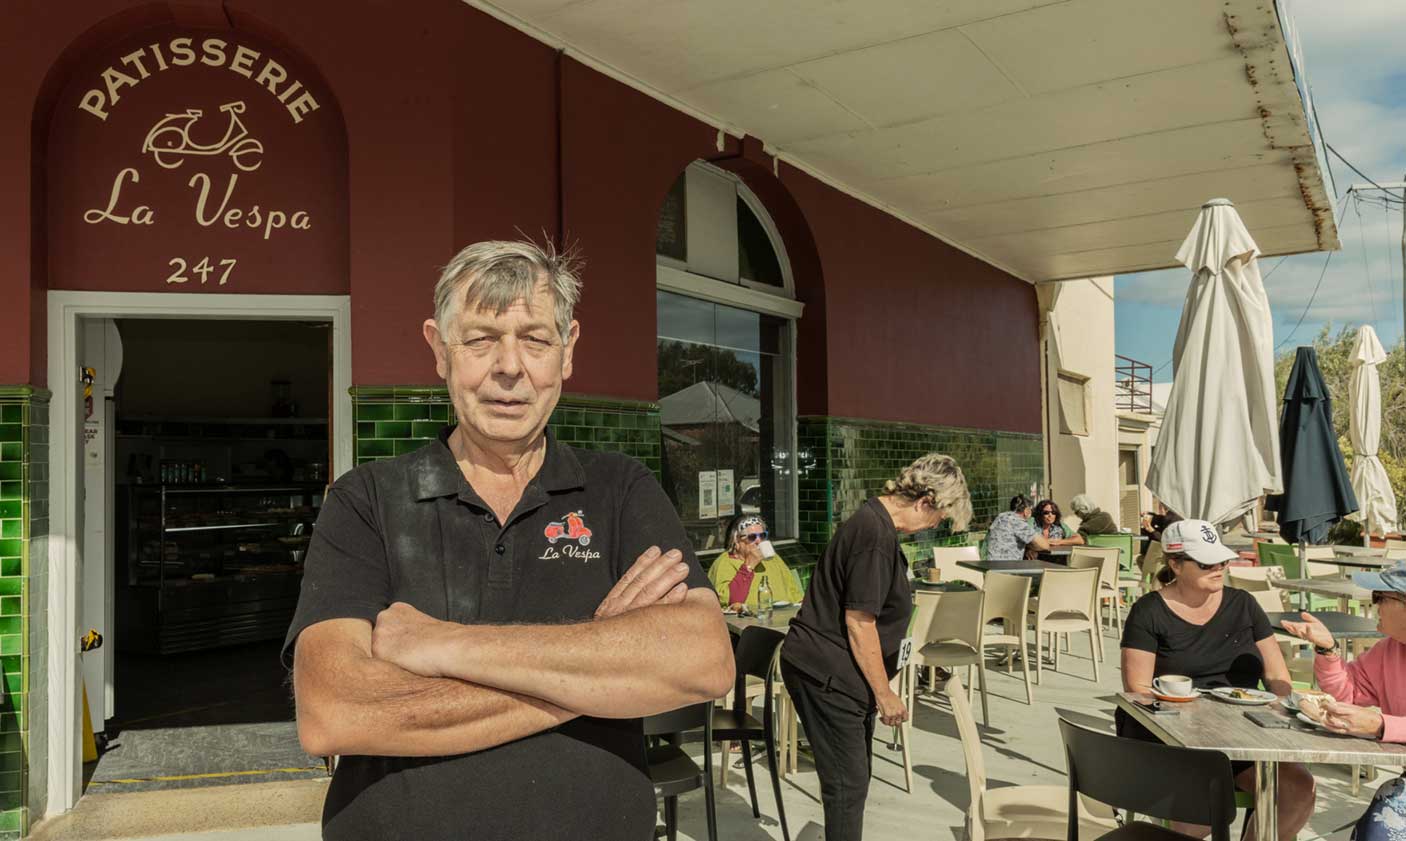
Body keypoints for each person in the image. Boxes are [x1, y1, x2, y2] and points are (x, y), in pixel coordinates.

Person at [284, 240, 735, 841]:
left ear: (567, 351)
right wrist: (604, 667)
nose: (509, 367)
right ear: (439, 351)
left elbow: (703, 659)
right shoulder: (363, 501)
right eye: (479, 339)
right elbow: (334, 711)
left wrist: (442, 645)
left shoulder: (622, 489)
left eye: (535, 339)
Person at [780, 454, 972, 841]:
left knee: (853, 779)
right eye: (940, 519)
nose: (935, 527)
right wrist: (884, 693)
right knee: (847, 785)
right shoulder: (875, 537)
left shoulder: (875, 526)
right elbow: (859, 622)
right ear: (925, 502)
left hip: (838, 672)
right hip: (827, 672)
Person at [1119, 519, 1314, 840]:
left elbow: (1278, 675)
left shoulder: (1244, 605)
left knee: (1297, 788)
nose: (1220, 567)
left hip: (1243, 734)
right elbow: (1137, 690)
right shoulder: (1149, 612)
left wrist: (1280, 705)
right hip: (1175, 739)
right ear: (1175, 565)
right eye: (1207, 562)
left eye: (1223, 560)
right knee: (1203, 809)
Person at [1281, 561, 1406, 741]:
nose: (1374, 605)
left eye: (1380, 597)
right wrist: (1327, 649)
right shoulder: (1389, 649)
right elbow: (1348, 694)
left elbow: (1377, 723)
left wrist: (1380, 725)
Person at [708, 513, 804, 612]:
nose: (758, 541)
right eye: (752, 537)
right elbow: (730, 601)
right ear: (736, 541)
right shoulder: (725, 562)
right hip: (746, 623)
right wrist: (748, 566)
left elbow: (794, 593)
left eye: (762, 536)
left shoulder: (773, 559)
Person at [985, 494, 1049, 560]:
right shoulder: (1017, 521)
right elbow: (1045, 545)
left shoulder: (1001, 517)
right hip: (1006, 567)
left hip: (990, 564)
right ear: (1027, 511)